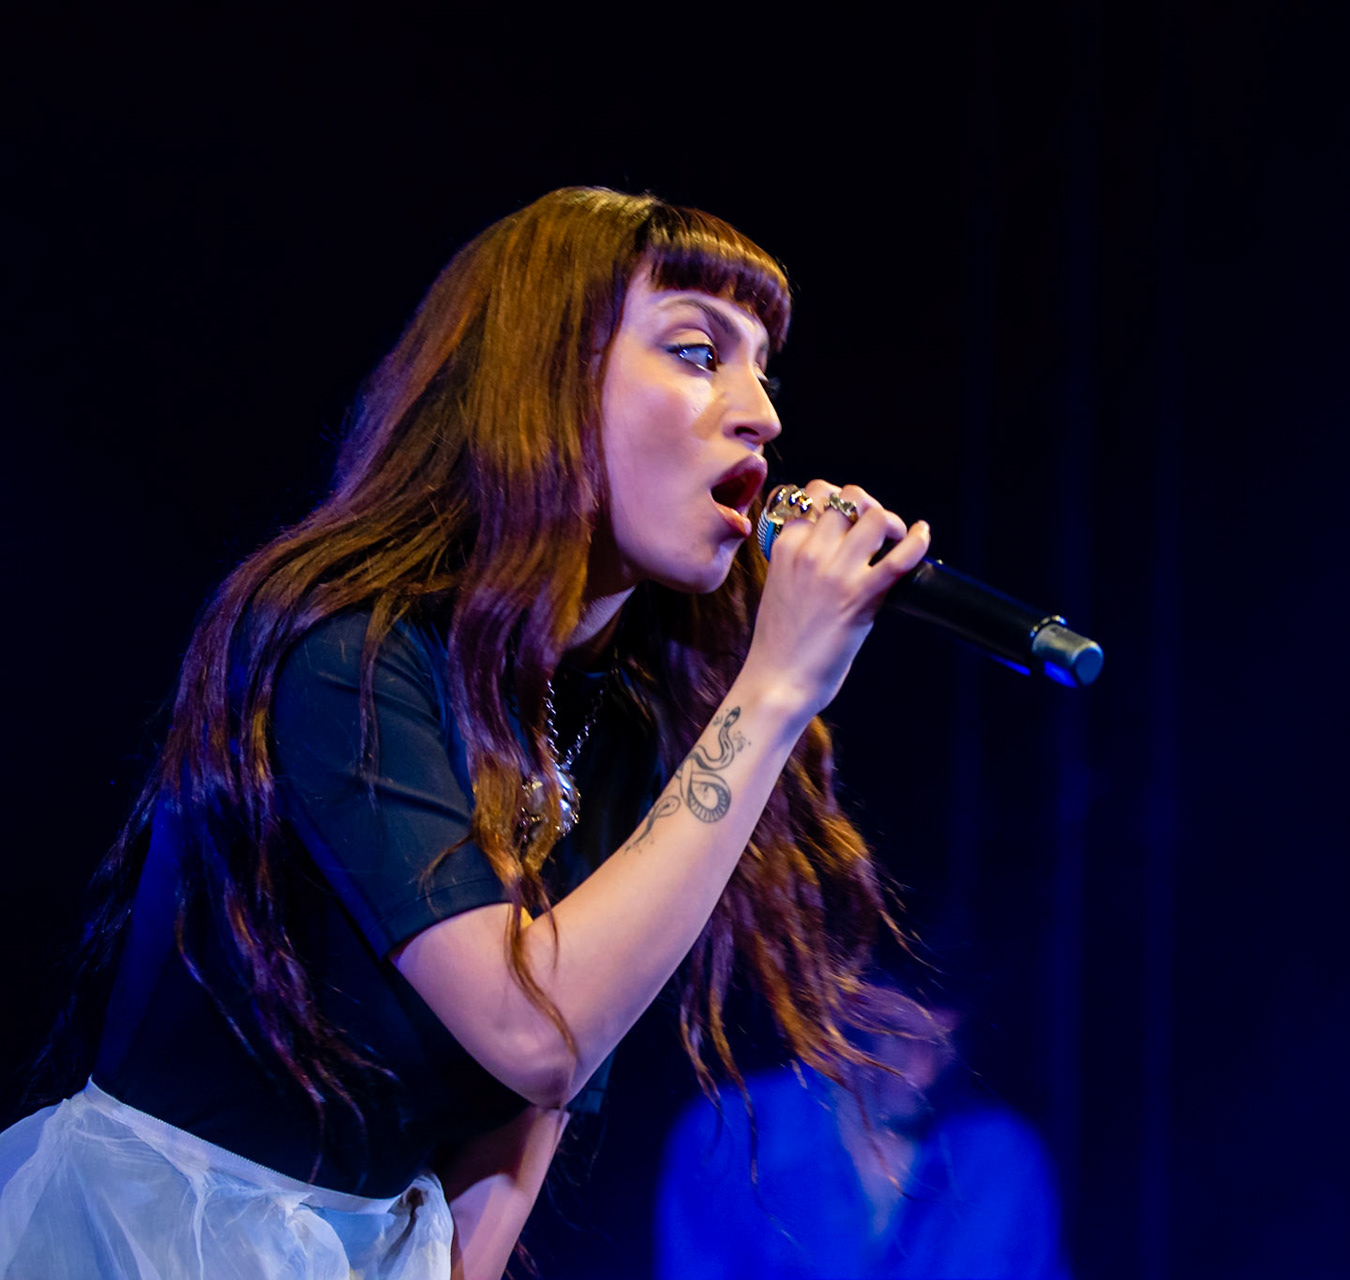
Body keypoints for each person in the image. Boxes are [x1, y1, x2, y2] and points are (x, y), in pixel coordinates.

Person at [0, 186, 932, 1279]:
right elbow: (527, 1028)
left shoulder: (616, 715)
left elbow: (535, 1103)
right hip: (152, 1237)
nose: (763, 412)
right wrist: (774, 690)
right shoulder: (342, 644)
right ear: (544, 381)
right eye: (697, 351)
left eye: (765, 368)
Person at [655, 979, 1068, 1279]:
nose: (921, 1073)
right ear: (847, 1017)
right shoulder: (733, 1133)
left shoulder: (1001, 1160)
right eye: (897, 1036)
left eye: (941, 1043)